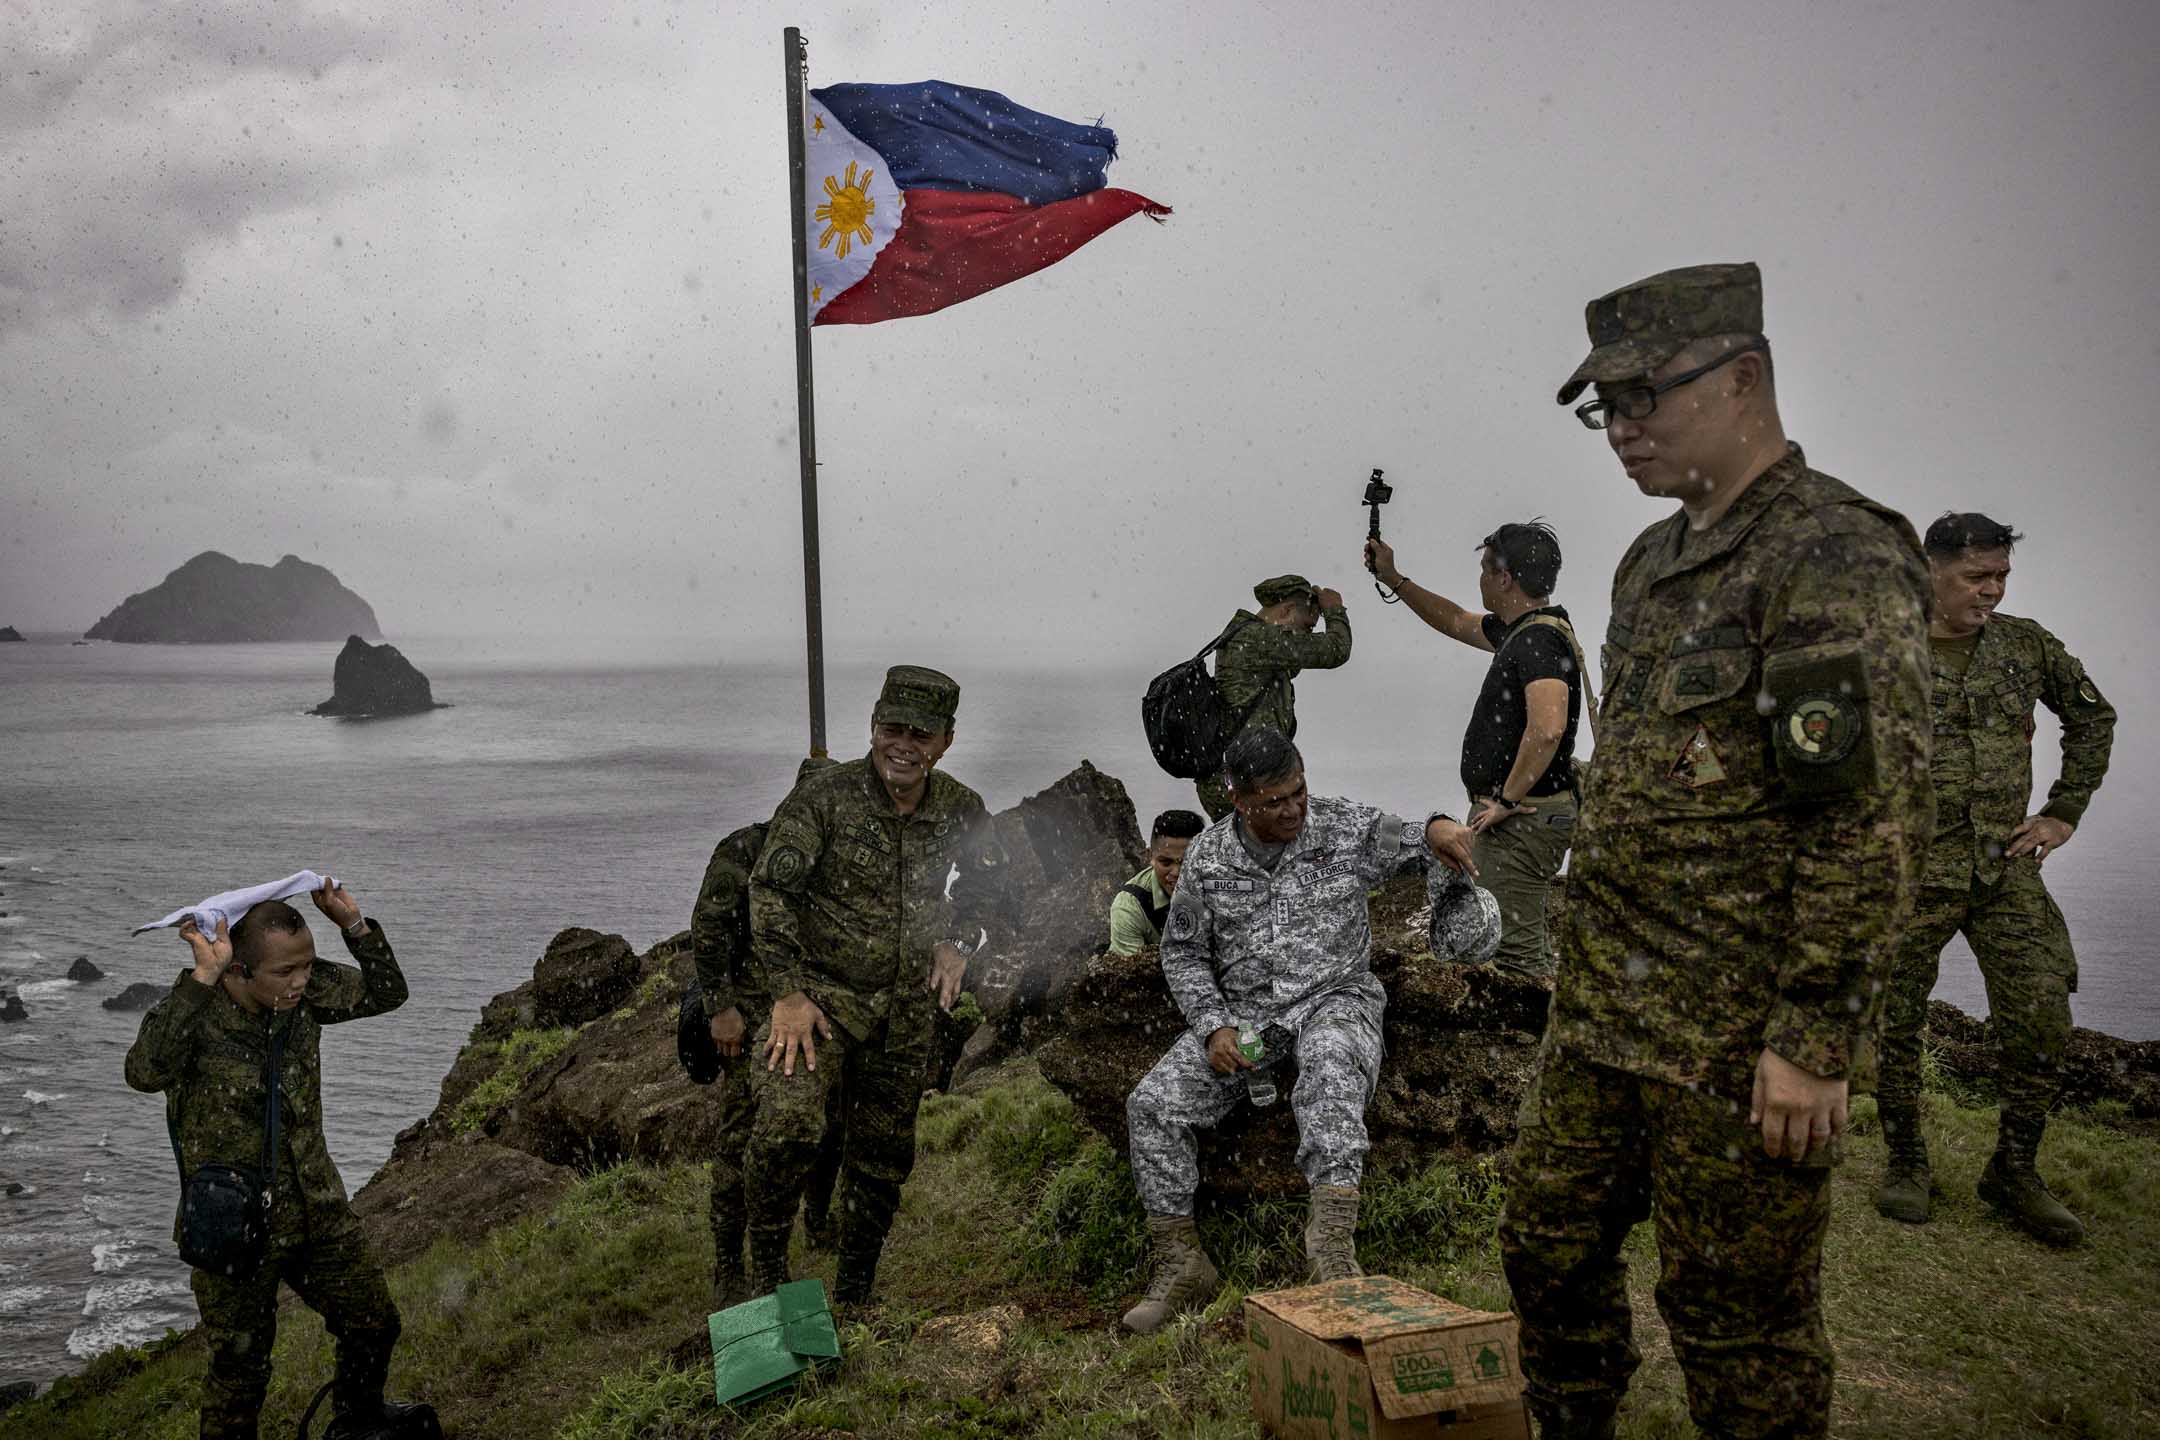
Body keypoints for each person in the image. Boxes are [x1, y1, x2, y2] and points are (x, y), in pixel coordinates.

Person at [1498, 262, 1933, 1440]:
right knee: (1545, 1247)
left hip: (1733, 1038)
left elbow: (1864, 820)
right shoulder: (1647, 565)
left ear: (1744, 379)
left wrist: (1813, 1038)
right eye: (1607, 407)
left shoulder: (1829, 552)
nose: (1621, 429)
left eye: (1643, 397)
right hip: (1603, 1011)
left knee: (1738, 1326)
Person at [1121, 727, 1480, 1334]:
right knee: (1151, 1105)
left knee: (1332, 1067)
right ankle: (1181, 1264)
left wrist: (1441, 824)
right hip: (1247, 1017)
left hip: (1334, 997)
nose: (1292, 810)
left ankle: (1332, 1253)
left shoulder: (1343, 826)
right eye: (1274, 801)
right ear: (1238, 798)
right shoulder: (1206, 858)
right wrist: (1212, 1026)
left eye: (1299, 792)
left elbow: (1415, 836)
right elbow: (1182, 953)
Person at [1874, 513, 2115, 1244]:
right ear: (1930, 570)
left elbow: (2093, 718)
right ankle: (1906, 1160)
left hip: (2002, 867)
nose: (1992, 590)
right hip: (1911, 872)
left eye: (2001, 576)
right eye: (1976, 576)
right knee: (1894, 1020)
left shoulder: (2024, 645)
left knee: (2041, 1012)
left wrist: (2063, 812)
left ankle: (2013, 1169)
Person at [741, 665, 1014, 1306]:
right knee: (785, 1130)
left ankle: (855, 1294)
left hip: (904, 1008)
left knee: (884, 1157)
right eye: (893, 729)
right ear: (871, 726)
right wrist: (787, 994)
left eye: (922, 734)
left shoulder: (961, 808)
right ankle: (767, 1281)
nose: (904, 746)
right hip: (819, 1001)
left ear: (945, 741)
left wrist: (959, 943)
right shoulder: (824, 798)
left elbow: (990, 885)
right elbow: (770, 890)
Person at [125, 883, 426, 1440]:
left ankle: (358, 1424)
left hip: (315, 1209)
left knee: (373, 1323)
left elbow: (388, 993)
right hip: (231, 1228)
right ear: (237, 971)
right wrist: (201, 980)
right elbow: (144, 1072)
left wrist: (354, 926)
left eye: (307, 966)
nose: (300, 981)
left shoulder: (302, 995)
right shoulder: (194, 1012)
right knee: (239, 1373)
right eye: (285, 972)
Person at [1365, 521, 1589, 976]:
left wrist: (1507, 799)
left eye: (1486, 569)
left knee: (1513, 954)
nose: (1481, 579)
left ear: (1504, 578)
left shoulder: (1538, 640)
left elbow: (1548, 728)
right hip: (1524, 814)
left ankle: (1540, 1019)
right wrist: (1394, 579)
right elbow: (1454, 620)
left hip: (1524, 818)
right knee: (1509, 943)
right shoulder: (1524, 630)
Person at [691, 757, 846, 1310]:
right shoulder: (745, 850)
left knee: (825, 1128)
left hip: (817, 1016)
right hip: (751, 1017)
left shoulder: (838, 857)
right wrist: (721, 1007)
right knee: (742, 1135)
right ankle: (730, 1263)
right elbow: (708, 928)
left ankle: (818, 1220)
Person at [1195, 575, 1352, 821]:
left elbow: (1294, 665)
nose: (1306, 634)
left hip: (1238, 777)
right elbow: (1336, 650)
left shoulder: (1248, 637)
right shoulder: (1257, 638)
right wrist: (1335, 610)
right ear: (1287, 610)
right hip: (1244, 781)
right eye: (1308, 626)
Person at [1105, 809, 1206, 956]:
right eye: (1165, 862)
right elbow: (1131, 969)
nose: (1176, 873)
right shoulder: (1129, 908)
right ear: (1150, 857)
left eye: (1187, 862)